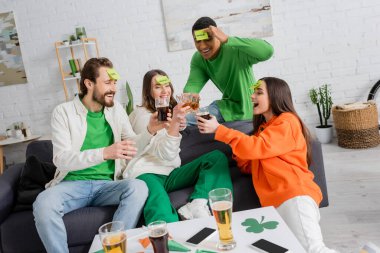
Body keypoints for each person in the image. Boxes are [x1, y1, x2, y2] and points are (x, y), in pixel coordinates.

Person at [33, 58, 164, 253]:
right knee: (43, 203)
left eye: (115, 82)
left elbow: (131, 146)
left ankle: (114, 248)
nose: (113, 88)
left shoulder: (116, 110)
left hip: (107, 184)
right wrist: (104, 153)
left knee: (138, 187)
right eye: (107, 83)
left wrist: (150, 130)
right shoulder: (63, 112)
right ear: (89, 83)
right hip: (72, 185)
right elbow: (61, 159)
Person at [197, 77, 338, 253]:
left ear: (275, 96)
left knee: (314, 250)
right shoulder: (263, 130)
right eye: (253, 92)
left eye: (259, 92)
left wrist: (220, 130)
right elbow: (249, 164)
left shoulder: (287, 121)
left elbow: (258, 147)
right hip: (276, 202)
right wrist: (241, 150)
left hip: (294, 196)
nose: (252, 96)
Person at [128, 69, 233, 224]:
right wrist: (175, 125)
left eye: (167, 85)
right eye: (157, 87)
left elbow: (170, 152)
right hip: (146, 173)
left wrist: (179, 124)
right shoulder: (142, 115)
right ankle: (168, 240)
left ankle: (197, 204)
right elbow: (165, 153)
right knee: (160, 204)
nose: (164, 91)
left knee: (216, 158)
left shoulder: (170, 112)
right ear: (148, 92)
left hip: (171, 172)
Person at [184, 16, 274, 125]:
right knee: (183, 121)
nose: (202, 46)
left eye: (208, 39)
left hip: (248, 109)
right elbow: (193, 84)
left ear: (217, 35)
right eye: (197, 41)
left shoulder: (234, 49)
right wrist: (190, 98)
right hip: (226, 108)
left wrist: (227, 39)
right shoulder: (199, 58)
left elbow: (267, 51)